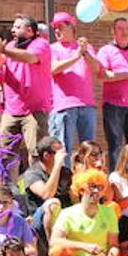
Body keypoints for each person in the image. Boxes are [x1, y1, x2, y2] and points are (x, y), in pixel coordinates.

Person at [0, 15, 52, 173]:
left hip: (35, 109)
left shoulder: (40, 44)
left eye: (17, 27)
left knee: (36, 153)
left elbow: (30, 58)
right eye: (13, 27)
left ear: (29, 31)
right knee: (5, 154)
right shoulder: (10, 45)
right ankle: (8, 189)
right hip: (12, 109)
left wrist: (4, 50)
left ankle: (35, 190)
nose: (13, 30)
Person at [49, 168, 121, 256]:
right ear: (81, 190)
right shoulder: (67, 213)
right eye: (92, 186)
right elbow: (54, 241)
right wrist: (85, 246)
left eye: (100, 187)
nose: (96, 191)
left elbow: (114, 245)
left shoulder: (109, 212)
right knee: (57, 251)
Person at [96, 17, 128, 166]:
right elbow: (102, 75)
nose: (124, 32)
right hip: (113, 105)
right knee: (115, 145)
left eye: (127, 29)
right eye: (120, 28)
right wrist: (126, 75)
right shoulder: (106, 51)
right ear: (113, 31)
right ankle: (115, 181)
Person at [46, 12, 98, 153]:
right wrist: (76, 56)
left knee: (89, 150)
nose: (57, 30)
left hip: (87, 104)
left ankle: (87, 175)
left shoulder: (86, 48)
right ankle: (63, 175)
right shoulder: (52, 48)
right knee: (62, 149)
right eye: (55, 27)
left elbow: (96, 68)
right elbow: (54, 68)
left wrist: (84, 52)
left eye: (60, 26)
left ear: (72, 27)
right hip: (64, 105)